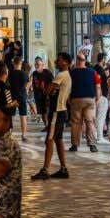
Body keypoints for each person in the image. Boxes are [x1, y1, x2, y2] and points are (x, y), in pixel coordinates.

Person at [32, 52, 72, 180]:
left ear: (65, 62)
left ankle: (45, 170)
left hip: (56, 111)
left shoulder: (61, 75)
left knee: (49, 139)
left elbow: (48, 90)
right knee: (58, 139)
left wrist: (49, 89)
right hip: (62, 110)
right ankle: (63, 169)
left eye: (59, 60)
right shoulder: (67, 75)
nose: (56, 62)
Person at [67, 55, 98, 153]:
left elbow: (68, 87)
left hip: (76, 99)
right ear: (85, 61)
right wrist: (97, 98)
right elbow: (98, 86)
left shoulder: (72, 73)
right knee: (90, 122)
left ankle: (75, 145)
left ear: (77, 61)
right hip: (90, 99)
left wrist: (68, 98)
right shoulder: (93, 72)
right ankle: (92, 145)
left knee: (76, 122)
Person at [6, 55, 29, 139]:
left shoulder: (10, 74)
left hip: (12, 97)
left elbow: (7, 87)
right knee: (23, 116)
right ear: (21, 63)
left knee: (11, 116)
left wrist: (8, 99)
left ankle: (9, 134)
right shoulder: (24, 74)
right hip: (22, 97)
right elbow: (26, 86)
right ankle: (23, 135)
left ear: (13, 63)